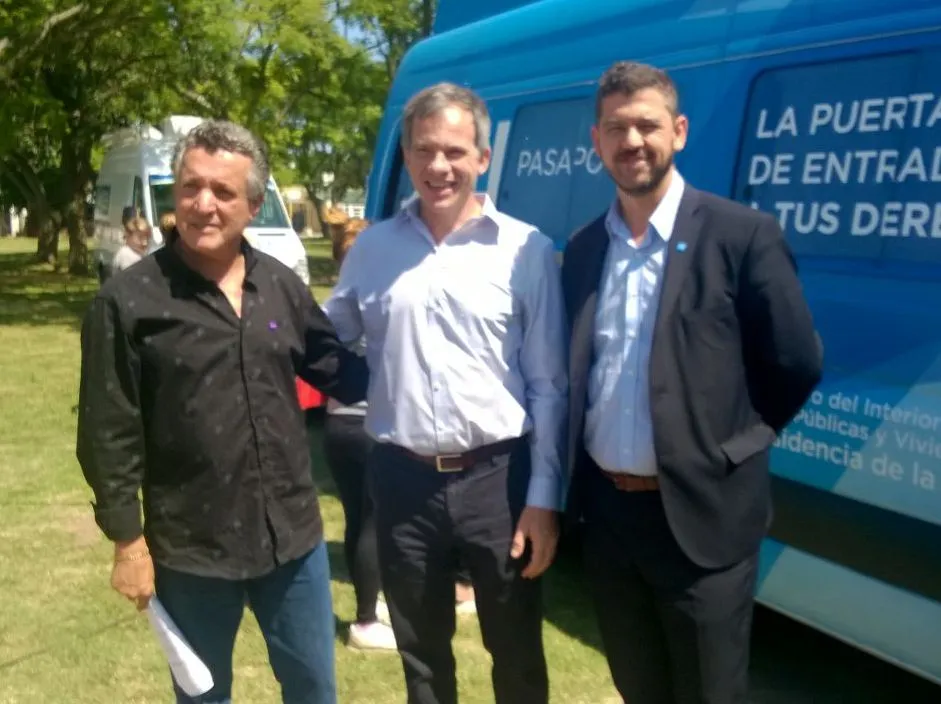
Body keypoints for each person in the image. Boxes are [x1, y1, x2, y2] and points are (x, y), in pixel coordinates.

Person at [76, 119, 368, 704]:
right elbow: (108, 432)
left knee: (315, 690)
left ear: (253, 205)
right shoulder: (128, 303)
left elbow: (337, 368)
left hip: (292, 539)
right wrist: (128, 542)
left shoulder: (280, 286)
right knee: (204, 697)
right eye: (190, 187)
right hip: (192, 547)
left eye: (223, 191)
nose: (202, 204)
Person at [561, 61, 823, 704]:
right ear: (596, 141)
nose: (632, 141)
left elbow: (795, 362)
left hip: (703, 519)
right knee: (638, 688)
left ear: (678, 131)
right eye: (616, 128)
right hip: (611, 520)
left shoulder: (741, 234)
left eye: (647, 125)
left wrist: (733, 446)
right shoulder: (585, 248)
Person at [324, 82, 568, 704]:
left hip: (499, 482)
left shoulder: (526, 251)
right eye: (424, 150)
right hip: (401, 481)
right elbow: (326, 338)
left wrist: (543, 499)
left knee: (516, 652)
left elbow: (548, 385)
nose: (439, 166)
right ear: (406, 156)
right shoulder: (372, 249)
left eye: (455, 151)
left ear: (483, 157)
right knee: (423, 658)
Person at [321, 216, 397, 651]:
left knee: (359, 520)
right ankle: (366, 621)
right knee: (373, 522)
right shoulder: (371, 300)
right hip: (365, 426)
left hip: (340, 425)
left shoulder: (338, 300)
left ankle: (370, 604)